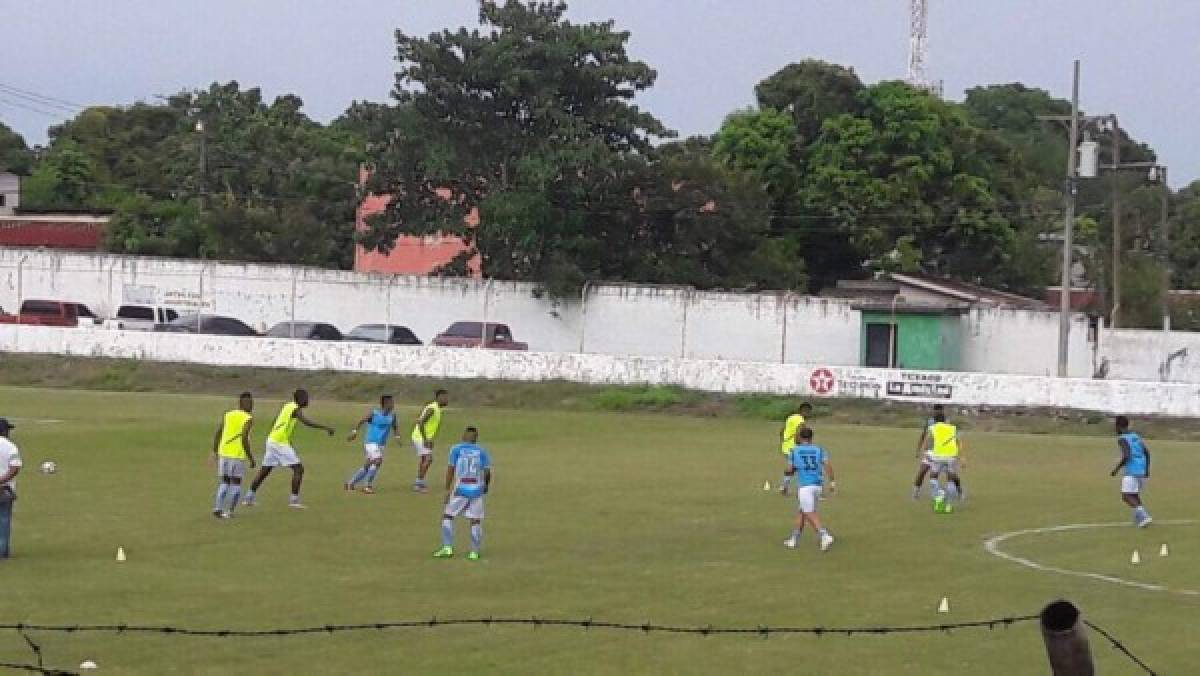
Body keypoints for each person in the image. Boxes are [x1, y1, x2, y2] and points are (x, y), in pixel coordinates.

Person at [243, 389, 334, 509]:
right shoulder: (295, 409)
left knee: (265, 471)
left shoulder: (288, 406)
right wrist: (325, 427)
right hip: (279, 442)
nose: (308, 401)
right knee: (299, 469)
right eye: (306, 398)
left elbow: (279, 422)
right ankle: (294, 501)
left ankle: (248, 498)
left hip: (272, 440)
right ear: (300, 399)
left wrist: (285, 439)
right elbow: (306, 422)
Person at [433, 427, 492, 561]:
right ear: (476, 438)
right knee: (475, 520)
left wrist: (447, 489)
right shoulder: (482, 451)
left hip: (460, 488)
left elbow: (450, 469)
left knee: (448, 515)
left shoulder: (456, 449)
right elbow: (487, 472)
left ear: (463, 436)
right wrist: (486, 485)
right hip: (476, 489)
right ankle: (474, 552)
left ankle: (447, 548)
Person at [783, 427, 836, 552]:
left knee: (809, 513)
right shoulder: (819, 450)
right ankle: (794, 539)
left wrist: (789, 473)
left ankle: (824, 535)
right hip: (817, 486)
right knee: (802, 512)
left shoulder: (795, 451)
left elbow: (790, 470)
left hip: (805, 487)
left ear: (800, 437)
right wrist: (832, 481)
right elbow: (827, 465)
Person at [210, 392, 256, 518]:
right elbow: (244, 438)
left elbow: (219, 432)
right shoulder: (248, 419)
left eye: (252, 402)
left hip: (224, 453)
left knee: (224, 481)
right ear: (242, 403)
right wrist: (251, 457)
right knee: (236, 483)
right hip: (237, 455)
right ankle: (229, 512)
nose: (251, 405)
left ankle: (218, 508)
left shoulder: (228, 414)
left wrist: (215, 450)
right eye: (249, 402)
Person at [345, 395, 398, 494]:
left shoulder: (392, 416)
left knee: (368, 464)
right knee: (378, 460)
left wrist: (397, 437)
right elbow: (361, 421)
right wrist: (354, 432)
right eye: (391, 402)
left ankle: (350, 483)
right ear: (385, 403)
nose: (393, 404)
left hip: (381, 445)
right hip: (370, 442)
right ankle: (367, 486)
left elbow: (395, 427)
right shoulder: (374, 413)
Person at [1110, 416, 1152, 527]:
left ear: (1118, 426)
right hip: (1141, 470)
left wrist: (1116, 469)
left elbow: (1127, 455)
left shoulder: (1122, 439)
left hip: (1131, 471)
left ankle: (1144, 516)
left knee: (1126, 496)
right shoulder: (1136, 436)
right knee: (1134, 495)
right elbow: (1147, 452)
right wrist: (1147, 469)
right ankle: (1139, 519)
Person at [411, 389, 449, 493]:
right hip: (420, 437)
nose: (447, 400)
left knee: (424, 459)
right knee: (429, 459)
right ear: (439, 398)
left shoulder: (436, 408)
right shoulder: (432, 408)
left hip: (421, 436)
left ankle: (420, 481)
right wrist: (425, 439)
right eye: (445, 397)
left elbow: (419, 420)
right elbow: (421, 422)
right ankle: (418, 483)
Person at [927, 410, 965, 513]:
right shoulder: (953, 428)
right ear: (945, 420)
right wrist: (962, 457)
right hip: (951, 457)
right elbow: (959, 442)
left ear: (935, 420)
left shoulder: (932, 427)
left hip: (938, 456)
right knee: (950, 480)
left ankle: (939, 496)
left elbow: (928, 441)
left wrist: (927, 453)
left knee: (933, 477)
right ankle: (948, 507)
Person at [777, 402, 813, 496]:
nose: (809, 415)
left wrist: (783, 441)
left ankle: (784, 487)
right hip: (793, 447)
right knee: (799, 467)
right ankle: (801, 489)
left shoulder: (791, 417)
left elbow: (782, 430)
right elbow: (799, 434)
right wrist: (801, 446)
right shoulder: (800, 420)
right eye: (808, 412)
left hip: (786, 446)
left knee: (794, 467)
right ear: (804, 411)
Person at [0, 419, 23, 560]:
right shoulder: (10, 447)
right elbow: (15, 467)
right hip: (4, 489)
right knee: (3, 520)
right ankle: (2, 552)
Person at [911, 404, 944, 499]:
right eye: (936, 410)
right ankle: (915, 493)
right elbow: (923, 435)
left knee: (934, 476)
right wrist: (918, 449)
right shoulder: (930, 422)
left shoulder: (946, 422)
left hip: (940, 453)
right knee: (922, 471)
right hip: (930, 451)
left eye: (939, 410)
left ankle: (938, 495)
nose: (937, 412)